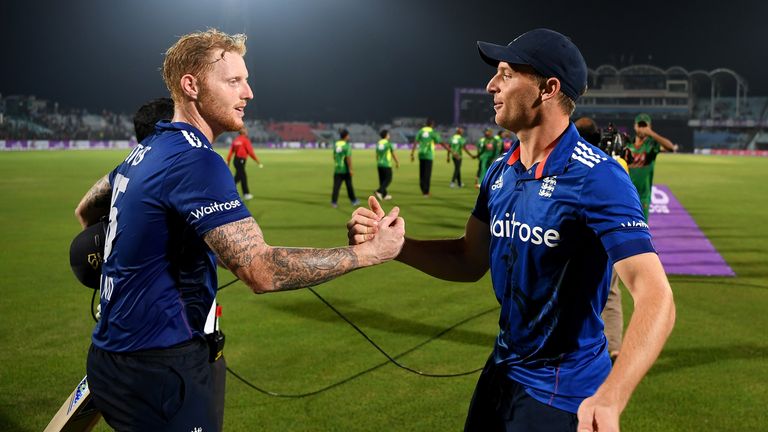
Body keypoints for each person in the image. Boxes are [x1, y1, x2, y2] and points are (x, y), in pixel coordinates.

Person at [74, 29, 404, 432]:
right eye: (233, 81)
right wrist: (369, 254)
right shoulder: (196, 160)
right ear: (191, 86)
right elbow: (260, 270)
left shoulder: (147, 149)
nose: (248, 93)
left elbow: (87, 208)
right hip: (159, 367)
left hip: (110, 357)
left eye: (246, 80)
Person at [348, 28, 675, 432]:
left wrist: (612, 395)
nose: (490, 85)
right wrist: (399, 247)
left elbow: (657, 296)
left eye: (505, 73)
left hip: (563, 394)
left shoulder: (599, 177)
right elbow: (470, 259)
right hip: (500, 375)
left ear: (548, 88)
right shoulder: (500, 171)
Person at [574, 116, 626, 362]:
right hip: (613, 236)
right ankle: (613, 347)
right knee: (611, 292)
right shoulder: (618, 162)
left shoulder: (573, 161)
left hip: (579, 238)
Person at [626, 113, 677, 220]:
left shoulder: (651, 145)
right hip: (626, 193)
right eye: (640, 125)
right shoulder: (628, 144)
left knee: (641, 227)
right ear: (635, 126)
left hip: (643, 196)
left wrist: (652, 134)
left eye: (645, 126)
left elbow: (671, 148)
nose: (642, 129)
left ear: (649, 127)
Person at [226, 127, 262, 201]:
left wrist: (228, 162)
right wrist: (257, 161)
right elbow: (250, 152)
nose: (247, 132)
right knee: (243, 177)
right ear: (244, 133)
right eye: (246, 131)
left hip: (236, 160)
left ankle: (227, 190)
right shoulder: (245, 140)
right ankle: (246, 194)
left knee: (238, 177)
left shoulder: (236, 140)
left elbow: (230, 152)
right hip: (241, 160)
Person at [410, 118, 443, 197]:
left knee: (422, 172)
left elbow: (415, 141)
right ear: (432, 124)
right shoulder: (432, 132)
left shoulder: (421, 131)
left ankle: (422, 187)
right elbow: (440, 141)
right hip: (429, 155)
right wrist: (450, 150)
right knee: (427, 174)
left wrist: (412, 153)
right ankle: (426, 192)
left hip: (421, 154)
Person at [332, 128, 359, 207]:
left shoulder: (336, 144)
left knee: (336, 186)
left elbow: (334, 156)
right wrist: (350, 169)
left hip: (337, 169)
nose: (349, 137)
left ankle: (334, 202)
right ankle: (353, 201)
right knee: (349, 186)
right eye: (348, 135)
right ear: (346, 136)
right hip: (345, 170)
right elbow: (348, 158)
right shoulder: (347, 146)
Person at [375, 129, 399, 200]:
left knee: (382, 180)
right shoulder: (388, 143)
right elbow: (393, 154)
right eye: (388, 134)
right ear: (386, 135)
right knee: (388, 179)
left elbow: (377, 155)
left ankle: (384, 195)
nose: (389, 135)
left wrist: (379, 161)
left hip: (379, 164)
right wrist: (397, 162)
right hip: (386, 164)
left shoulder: (379, 143)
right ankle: (379, 191)